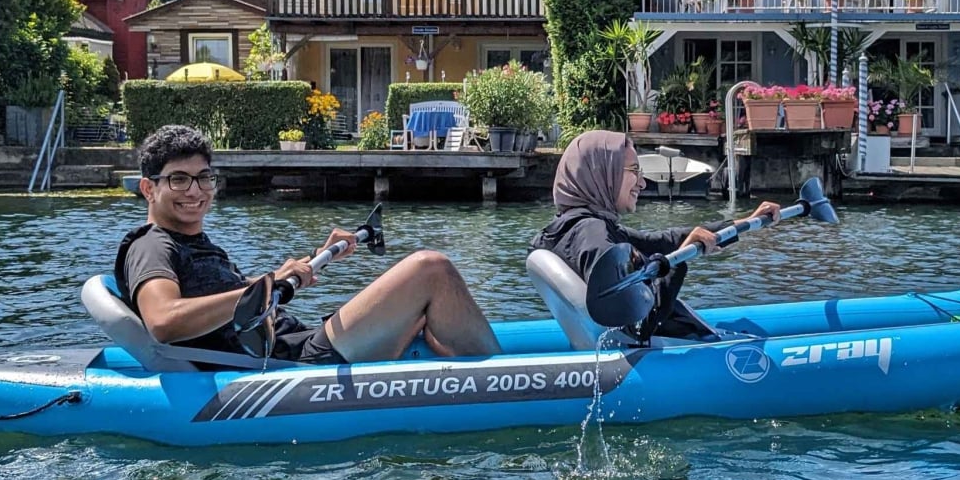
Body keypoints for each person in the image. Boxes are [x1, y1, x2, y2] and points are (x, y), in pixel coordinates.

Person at [116, 124, 502, 365]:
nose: (195, 191)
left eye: (204, 178)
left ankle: (477, 367)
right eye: (178, 180)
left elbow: (239, 297)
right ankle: (509, 381)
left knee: (422, 304)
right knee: (429, 268)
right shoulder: (152, 246)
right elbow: (164, 321)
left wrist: (309, 262)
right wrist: (264, 285)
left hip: (296, 342)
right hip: (295, 363)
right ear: (149, 188)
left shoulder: (192, 241)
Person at [530, 130, 783, 338]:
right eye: (634, 171)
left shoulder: (570, 230)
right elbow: (640, 325)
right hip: (666, 362)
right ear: (601, 172)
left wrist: (743, 223)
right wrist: (680, 260)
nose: (642, 183)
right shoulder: (591, 233)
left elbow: (661, 241)